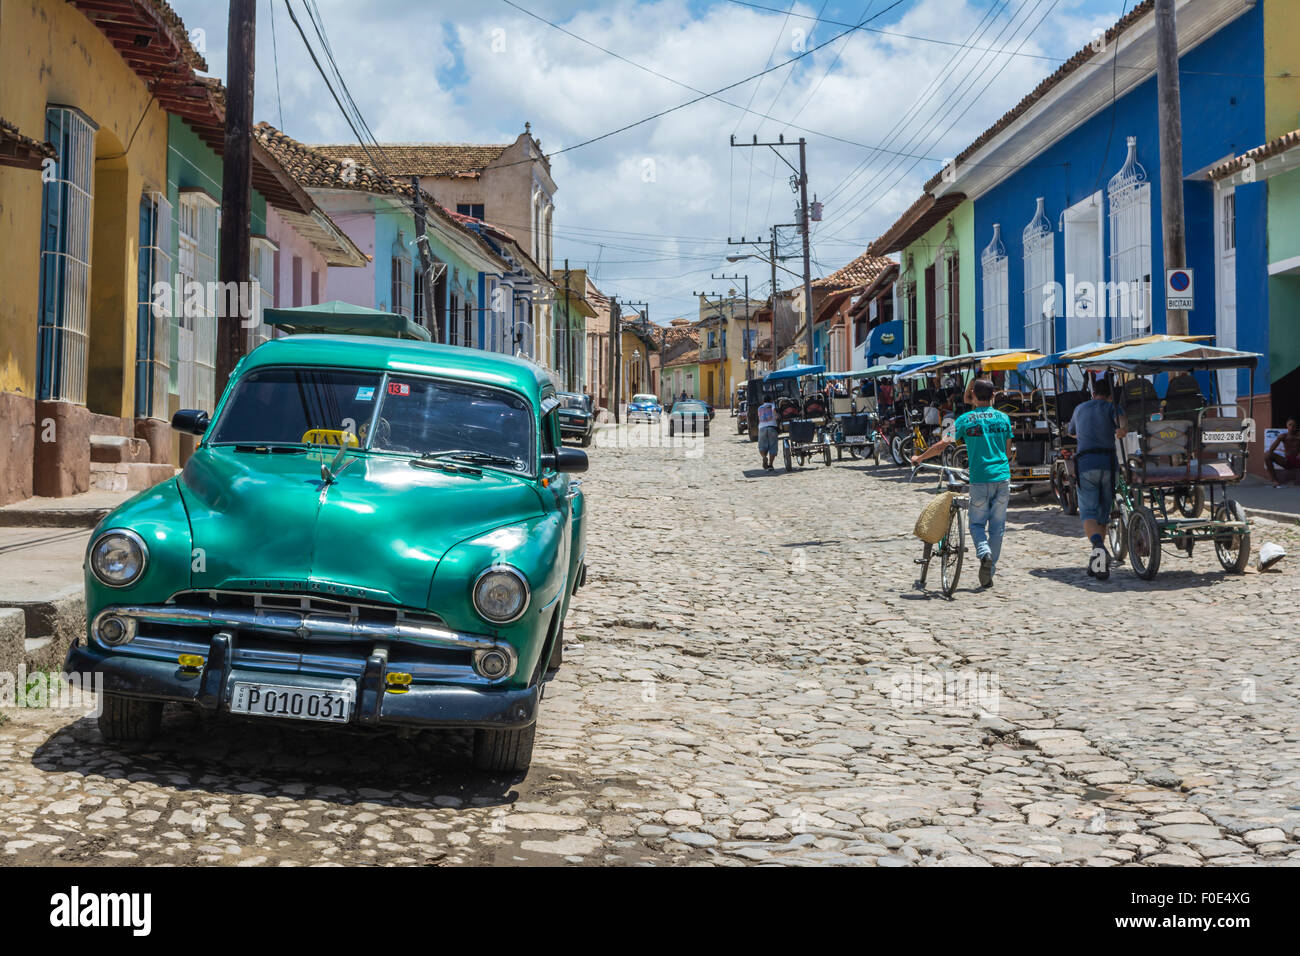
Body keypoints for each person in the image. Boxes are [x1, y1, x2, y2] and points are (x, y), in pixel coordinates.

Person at [911, 379, 1012, 588]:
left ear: (973, 395)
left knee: (976, 524)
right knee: (997, 528)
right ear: (993, 395)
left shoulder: (966, 419)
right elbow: (1009, 452)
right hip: (1002, 478)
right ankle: (989, 570)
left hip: (980, 478)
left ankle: (984, 553)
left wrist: (920, 458)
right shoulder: (1004, 419)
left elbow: (941, 445)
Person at [1068, 378, 1128, 580]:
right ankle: (1098, 563)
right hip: (1109, 465)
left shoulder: (1080, 408)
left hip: (1086, 465)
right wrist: (1119, 429)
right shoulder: (1112, 407)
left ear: (1093, 393)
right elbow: (1122, 425)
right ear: (1110, 395)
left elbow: (1072, 433)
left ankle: (1099, 547)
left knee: (1088, 513)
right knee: (1103, 514)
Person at [1266, 418, 1300, 486]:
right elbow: (1271, 450)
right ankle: (1275, 480)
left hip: (1299, 460)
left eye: (1294, 425)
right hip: (1287, 461)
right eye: (1290, 425)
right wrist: (1278, 439)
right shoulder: (1283, 436)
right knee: (1267, 455)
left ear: (1296, 426)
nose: (1292, 427)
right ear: (1286, 426)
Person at [756, 395, 779, 471]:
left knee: (762, 446)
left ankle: (764, 457)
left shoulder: (759, 408)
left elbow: (759, 417)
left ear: (763, 401)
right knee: (773, 446)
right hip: (772, 427)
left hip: (762, 428)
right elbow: (774, 412)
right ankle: (770, 464)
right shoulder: (772, 405)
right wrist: (777, 416)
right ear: (771, 400)